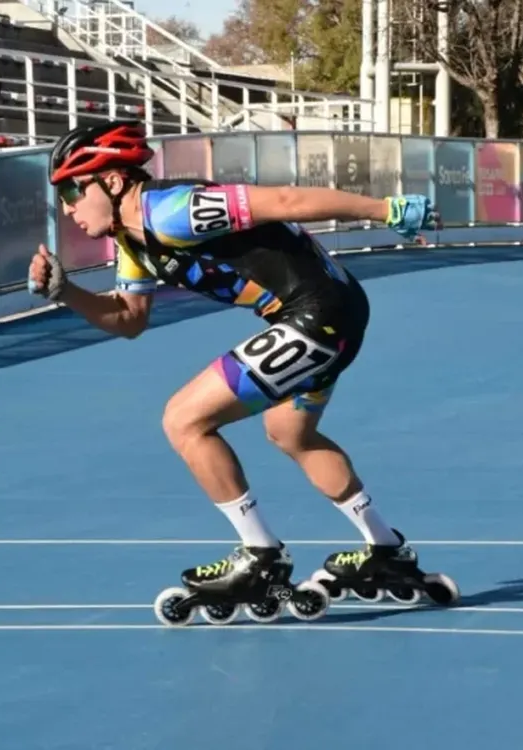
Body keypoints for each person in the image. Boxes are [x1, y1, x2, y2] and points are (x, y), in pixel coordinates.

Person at [28, 120, 456, 621]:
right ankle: (385, 550)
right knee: (291, 432)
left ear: (114, 181)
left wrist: (386, 210)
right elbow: (129, 320)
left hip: (316, 315)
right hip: (331, 313)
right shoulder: (131, 240)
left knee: (184, 420)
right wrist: (66, 292)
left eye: (73, 191)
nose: (67, 208)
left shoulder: (172, 211)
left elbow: (287, 201)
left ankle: (260, 557)